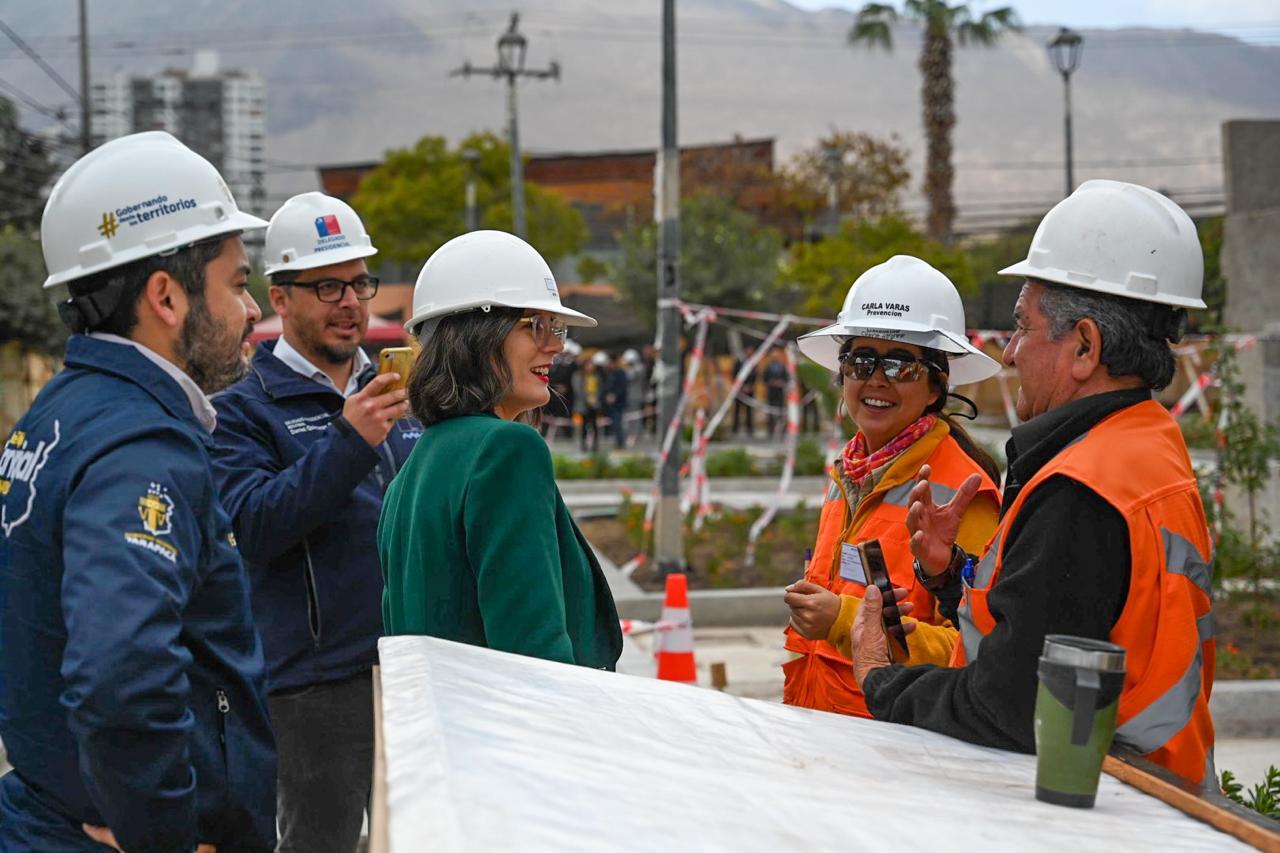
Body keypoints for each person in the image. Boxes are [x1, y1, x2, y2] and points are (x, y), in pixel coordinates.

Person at [849, 181, 1217, 787]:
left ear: (1084, 346)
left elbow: (1005, 708)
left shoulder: (1082, 490)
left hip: (1105, 798)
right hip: (1152, 792)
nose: (1011, 352)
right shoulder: (1146, 444)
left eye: (1022, 327)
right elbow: (1067, 622)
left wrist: (877, 677)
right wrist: (951, 576)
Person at [0, 131, 277, 851]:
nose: (253, 312)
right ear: (166, 296)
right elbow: (120, 676)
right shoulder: (140, 445)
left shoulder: (61, 409)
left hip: (49, 811)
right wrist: (163, 831)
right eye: (239, 283)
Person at [209, 192, 418, 853]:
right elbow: (256, 525)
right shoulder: (242, 411)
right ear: (281, 297)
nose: (350, 301)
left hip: (410, 664)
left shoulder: (398, 389)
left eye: (359, 282)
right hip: (315, 683)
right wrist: (348, 439)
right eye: (328, 285)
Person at [378, 230, 623, 670]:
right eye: (536, 326)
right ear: (476, 336)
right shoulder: (506, 450)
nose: (556, 345)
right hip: (518, 733)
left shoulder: (412, 469)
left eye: (557, 328)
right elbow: (535, 657)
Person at [782, 256, 1003, 718]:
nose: (876, 379)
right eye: (861, 361)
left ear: (936, 387)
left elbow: (977, 651)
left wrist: (843, 620)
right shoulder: (851, 471)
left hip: (892, 739)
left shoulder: (966, 494)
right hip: (821, 724)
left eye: (901, 365)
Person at [575, 351, 607, 453]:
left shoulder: (597, 376)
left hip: (595, 404)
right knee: (584, 426)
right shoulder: (578, 376)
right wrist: (588, 399)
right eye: (588, 365)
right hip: (584, 405)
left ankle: (595, 445)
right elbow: (578, 390)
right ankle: (583, 445)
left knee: (595, 426)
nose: (590, 367)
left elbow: (601, 388)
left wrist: (596, 398)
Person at [603, 351, 630, 449]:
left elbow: (622, 387)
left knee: (618, 422)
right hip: (611, 404)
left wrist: (614, 395)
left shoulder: (620, 373)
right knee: (614, 423)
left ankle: (620, 442)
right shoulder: (609, 372)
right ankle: (617, 441)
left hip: (619, 403)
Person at [731, 347, 759, 437]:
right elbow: (734, 375)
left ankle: (749, 428)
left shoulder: (753, 363)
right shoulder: (738, 362)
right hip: (740, 390)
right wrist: (741, 386)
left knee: (749, 410)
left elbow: (755, 376)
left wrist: (750, 386)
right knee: (737, 410)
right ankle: (735, 428)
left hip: (749, 390)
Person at [763, 347, 789, 436]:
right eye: (773, 356)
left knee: (781, 410)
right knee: (770, 411)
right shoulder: (767, 367)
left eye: (776, 356)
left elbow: (786, 378)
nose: (775, 358)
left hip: (780, 392)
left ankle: (782, 429)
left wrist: (781, 382)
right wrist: (771, 382)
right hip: (771, 391)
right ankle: (770, 429)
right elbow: (764, 379)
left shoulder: (782, 367)